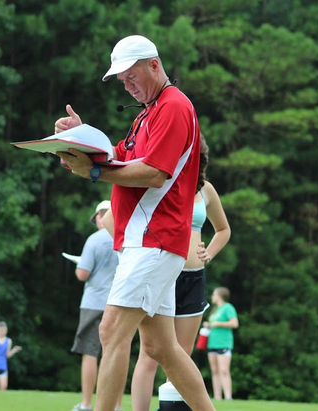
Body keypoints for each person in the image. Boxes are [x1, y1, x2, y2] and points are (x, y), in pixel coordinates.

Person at [54, 35, 216, 411]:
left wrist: (93, 172)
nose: (126, 85)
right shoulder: (150, 110)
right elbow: (121, 156)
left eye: (131, 76)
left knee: (110, 331)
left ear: (154, 65)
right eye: (121, 80)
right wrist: (83, 138)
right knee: (162, 348)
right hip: (147, 240)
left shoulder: (172, 106)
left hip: (155, 240)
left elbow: (154, 174)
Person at [129, 135, 231, 411]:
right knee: (150, 355)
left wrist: (209, 252)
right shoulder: (160, 182)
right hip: (161, 274)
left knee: (181, 354)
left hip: (193, 278)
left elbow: (223, 230)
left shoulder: (206, 190)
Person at [67, 200, 123, 411]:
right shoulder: (126, 235)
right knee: (117, 352)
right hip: (120, 303)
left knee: (90, 353)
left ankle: (87, 404)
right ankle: (117, 406)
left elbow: (83, 274)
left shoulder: (94, 240)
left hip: (94, 303)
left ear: (101, 216)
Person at [203, 287, 238, 401]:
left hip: (224, 343)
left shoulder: (228, 308)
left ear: (220, 296)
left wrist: (218, 324)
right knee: (214, 370)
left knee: (224, 370)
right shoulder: (215, 310)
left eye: (214, 294)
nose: (212, 296)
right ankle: (217, 396)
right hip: (212, 343)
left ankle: (228, 397)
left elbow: (234, 323)